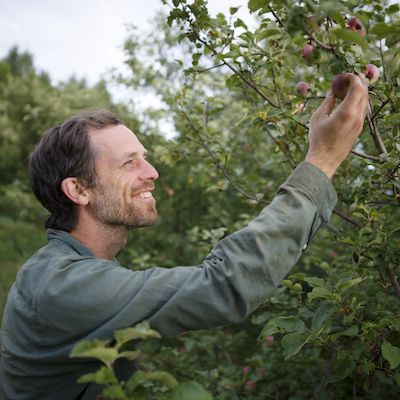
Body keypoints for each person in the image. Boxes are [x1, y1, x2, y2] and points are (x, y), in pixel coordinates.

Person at [0, 73, 368, 399]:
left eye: (144, 158)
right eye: (130, 163)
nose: (153, 172)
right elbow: (223, 285)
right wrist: (322, 160)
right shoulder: (63, 285)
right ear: (79, 190)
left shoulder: (71, 268)